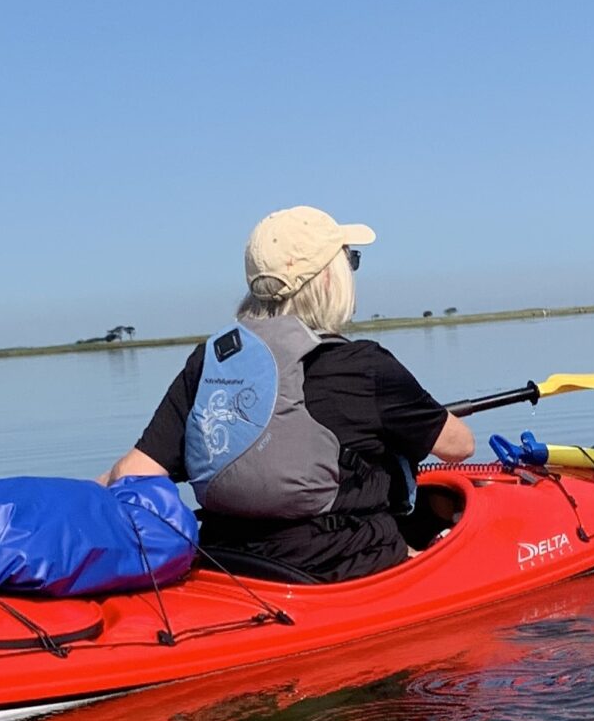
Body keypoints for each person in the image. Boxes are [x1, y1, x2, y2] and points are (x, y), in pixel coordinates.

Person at [101, 207, 476, 583]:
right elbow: (459, 446)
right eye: (350, 261)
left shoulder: (211, 363)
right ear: (328, 280)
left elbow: (133, 473)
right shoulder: (364, 365)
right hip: (338, 570)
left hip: (228, 564)